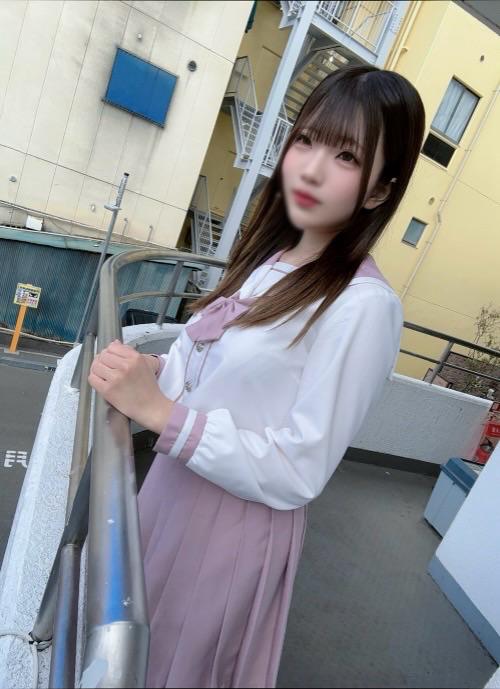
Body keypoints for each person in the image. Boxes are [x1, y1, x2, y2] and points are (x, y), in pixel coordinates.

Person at [88, 64, 426, 688]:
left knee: (171, 667)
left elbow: (299, 468)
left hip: (232, 526)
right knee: (124, 646)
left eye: (346, 156)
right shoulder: (269, 259)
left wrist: (161, 413)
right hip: (174, 486)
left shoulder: (363, 306)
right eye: (307, 140)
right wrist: (154, 373)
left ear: (380, 192)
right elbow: (210, 367)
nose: (312, 169)